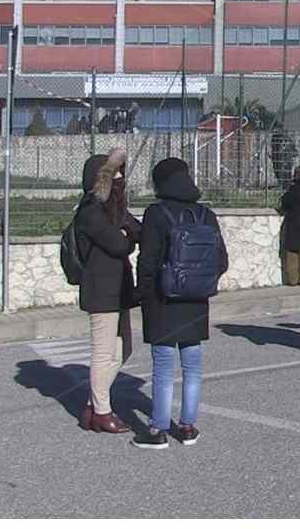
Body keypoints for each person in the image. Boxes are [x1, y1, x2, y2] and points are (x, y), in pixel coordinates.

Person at [133, 158, 229, 449]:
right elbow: (221, 261)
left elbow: (147, 261)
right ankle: (187, 426)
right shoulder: (205, 214)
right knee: (193, 365)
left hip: (163, 300)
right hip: (196, 299)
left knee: (163, 366)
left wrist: (144, 294)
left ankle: (158, 429)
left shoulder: (156, 213)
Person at [75, 147, 141, 434]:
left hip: (120, 290)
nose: (119, 179)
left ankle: (93, 403)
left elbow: (137, 230)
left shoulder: (114, 210)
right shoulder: (90, 211)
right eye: (114, 174)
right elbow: (118, 243)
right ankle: (102, 411)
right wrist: (126, 237)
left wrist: (127, 234)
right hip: (101, 291)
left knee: (122, 350)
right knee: (104, 353)